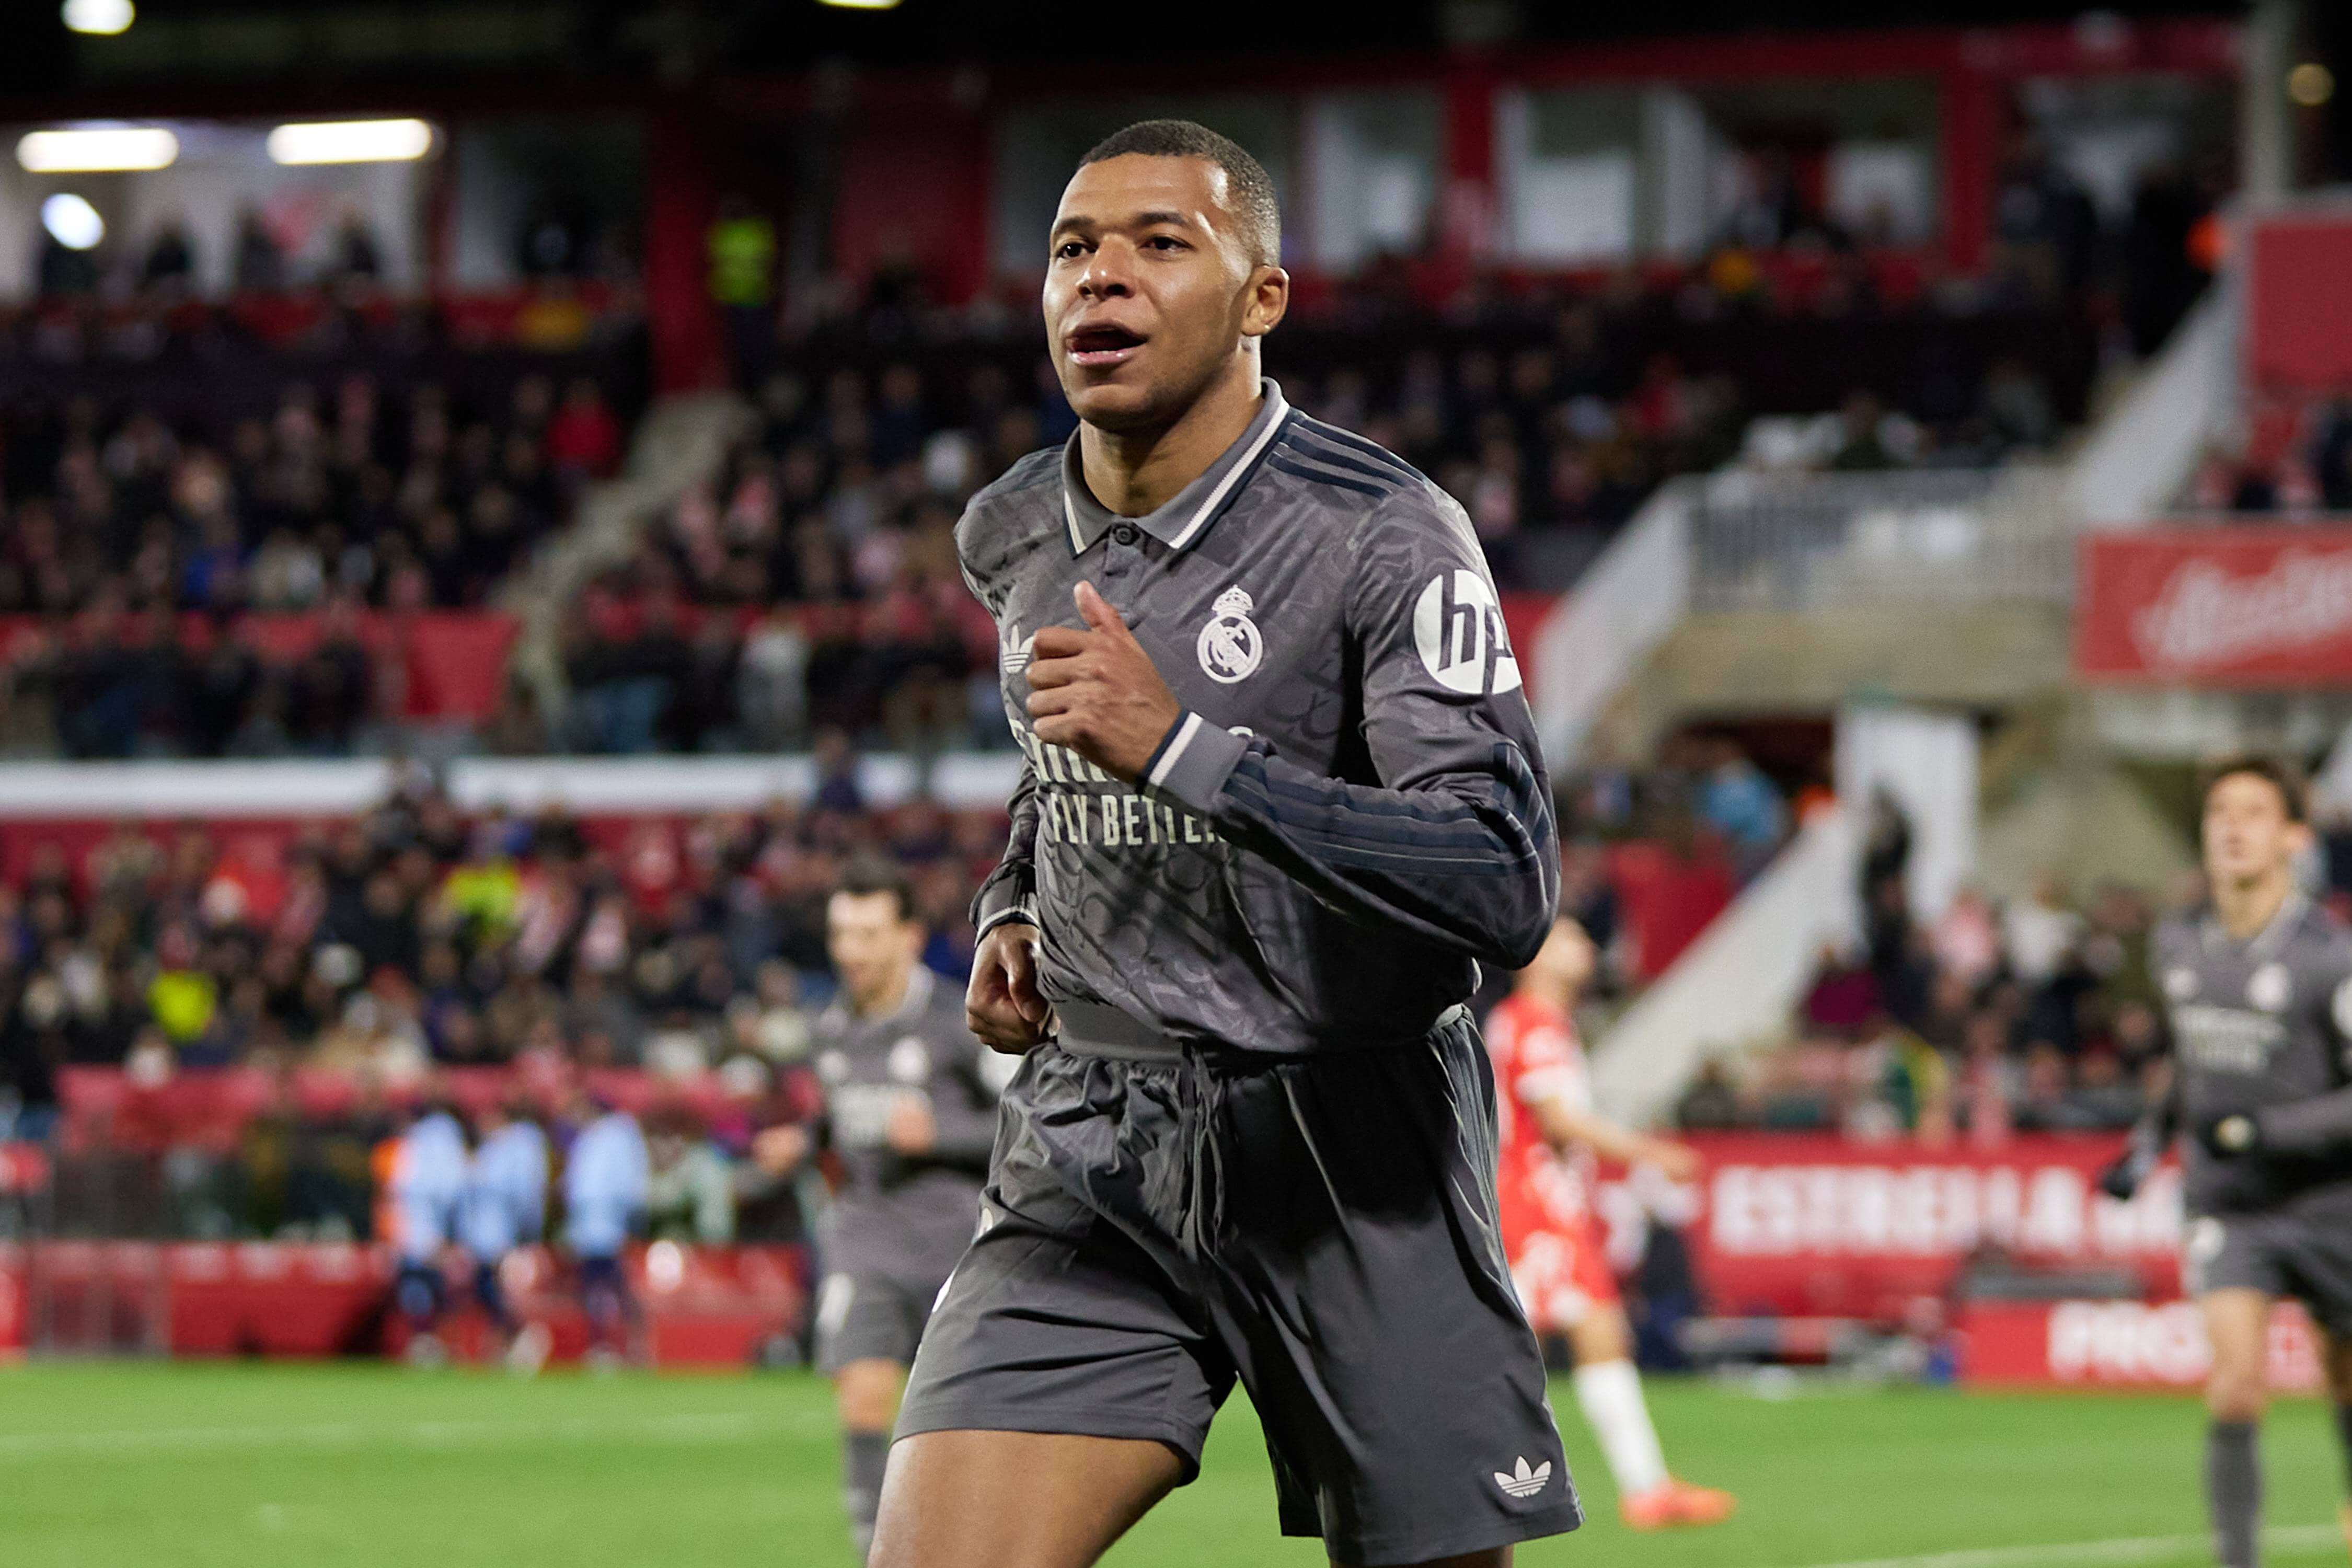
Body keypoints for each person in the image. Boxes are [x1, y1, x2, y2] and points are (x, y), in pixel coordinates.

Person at [876, 120, 1574, 1568]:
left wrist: (1189, 751)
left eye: (1158, 244)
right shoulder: (1012, 528)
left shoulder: (1384, 531)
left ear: (1262, 299)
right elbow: (1059, 767)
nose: (1100, 282)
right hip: (1094, 1138)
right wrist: (1018, 904)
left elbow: (1499, 874)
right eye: (1073, 249)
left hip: (1345, 1139)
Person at [2103, 757, 2352, 1567]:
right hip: (2229, 1205)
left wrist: (2266, 1131)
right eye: (2219, 812)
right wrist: (2146, 1145)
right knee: (2238, 1382)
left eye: (2254, 812)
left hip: (2329, 1203)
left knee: (2344, 1382)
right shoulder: (2178, 941)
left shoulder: (2330, 955)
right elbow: (2189, 1064)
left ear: (2292, 837)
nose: (2233, 828)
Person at [757, 861, 1007, 1561]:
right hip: (866, 1236)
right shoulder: (830, 1029)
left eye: (868, 934)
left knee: (964, 1425)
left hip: (959, 1247)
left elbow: (1032, 1125)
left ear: (907, 936)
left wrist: (943, 1137)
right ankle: (880, 1555)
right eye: (842, 934)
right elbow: (842, 1127)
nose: (852, 951)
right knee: (863, 1395)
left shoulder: (962, 1019)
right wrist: (801, 1146)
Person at [1484, 917, 1735, 1529]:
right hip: (1534, 1204)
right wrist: (1654, 1153)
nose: (1587, 948)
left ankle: (1646, 1487)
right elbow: (1559, 1121)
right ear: (1535, 956)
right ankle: (1450, 1476)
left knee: (1574, 1337)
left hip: (1539, 1201)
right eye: (1570, 938)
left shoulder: (1528, 1022)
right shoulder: (1535, 1022)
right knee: (1523, 1346)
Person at [459, 1096, 550, 1373]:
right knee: (487, 1292)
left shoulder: (517, 1148)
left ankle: (522, 1336)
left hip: (502, 1236)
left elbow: (525, 1195)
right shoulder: (490, 1150)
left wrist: (527, 1233)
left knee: (498, 1291)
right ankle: (506, 1341)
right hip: (482, 1238)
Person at [562, 1091, 648, 1368]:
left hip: (608, 1227)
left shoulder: (617, 1136)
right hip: (591, 1228)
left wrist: (628, 1220)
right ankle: (608, 1345)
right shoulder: (594, 1137)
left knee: (611, 1286)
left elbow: (625, 1185)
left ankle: (629, 1345)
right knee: (601, 1288)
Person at [387, 1098, 468, 1367]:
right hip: (425, 1225)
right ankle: (431, 1339)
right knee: (427, 1283)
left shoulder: (426, 1139)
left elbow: (404, 1185)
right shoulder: (437, 1139)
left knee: (425, 1283)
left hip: (420, 1225)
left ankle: (429, 1338)